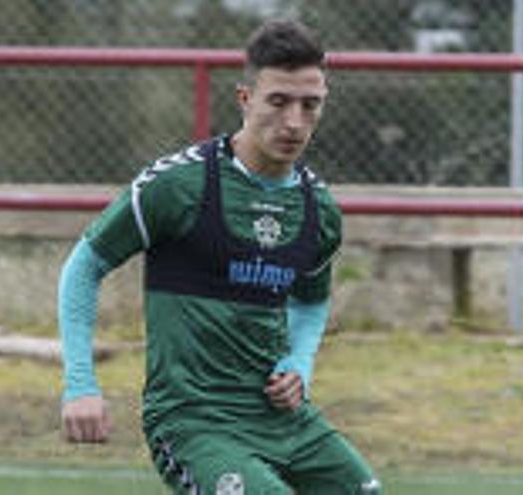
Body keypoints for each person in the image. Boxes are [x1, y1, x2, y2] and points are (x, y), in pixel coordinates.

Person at [58, 19, 381, 495]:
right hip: (194, 423)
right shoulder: (178, 186)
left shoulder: (319, 209)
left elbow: (311, 301)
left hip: (283, 421)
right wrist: (80, 385)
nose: (294, 121)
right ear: (245, 99)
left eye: (310, 105)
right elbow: (84, 268)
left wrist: (298, 365)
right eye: (278, 101)